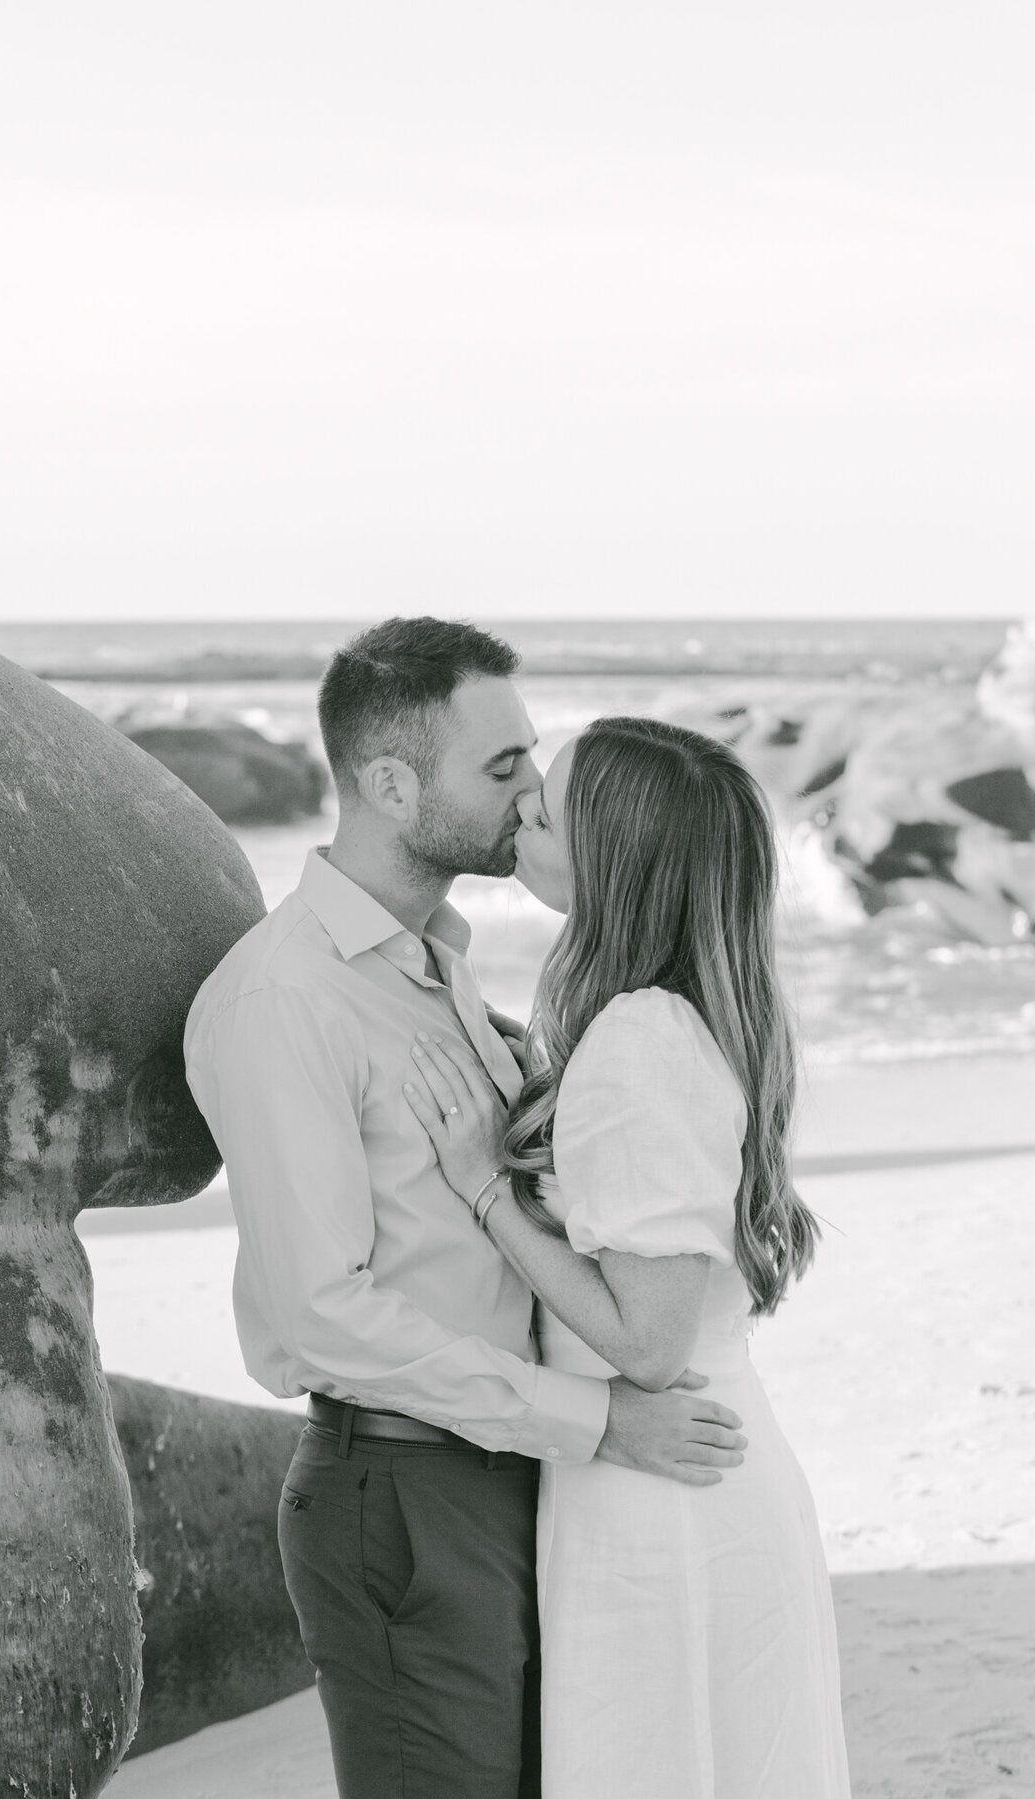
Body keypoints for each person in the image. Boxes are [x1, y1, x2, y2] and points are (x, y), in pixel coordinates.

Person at [183, 623, 748, 1799]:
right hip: (403, 1493)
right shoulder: (285, 999)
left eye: (529, 758)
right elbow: (324, 1314)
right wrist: (597, 1420)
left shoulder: (439, 965)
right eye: (502, 767)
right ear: (391, 784)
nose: (534, 790)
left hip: (509, 1470)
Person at [404, 714, 852, 1799]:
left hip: (664, 1495)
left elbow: (646, 1345)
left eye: (545, 807)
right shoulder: (660, 1018)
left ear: (612, 859)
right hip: (690, 1473)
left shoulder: (640, 1040)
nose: (520, 811)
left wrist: (484, 1190)